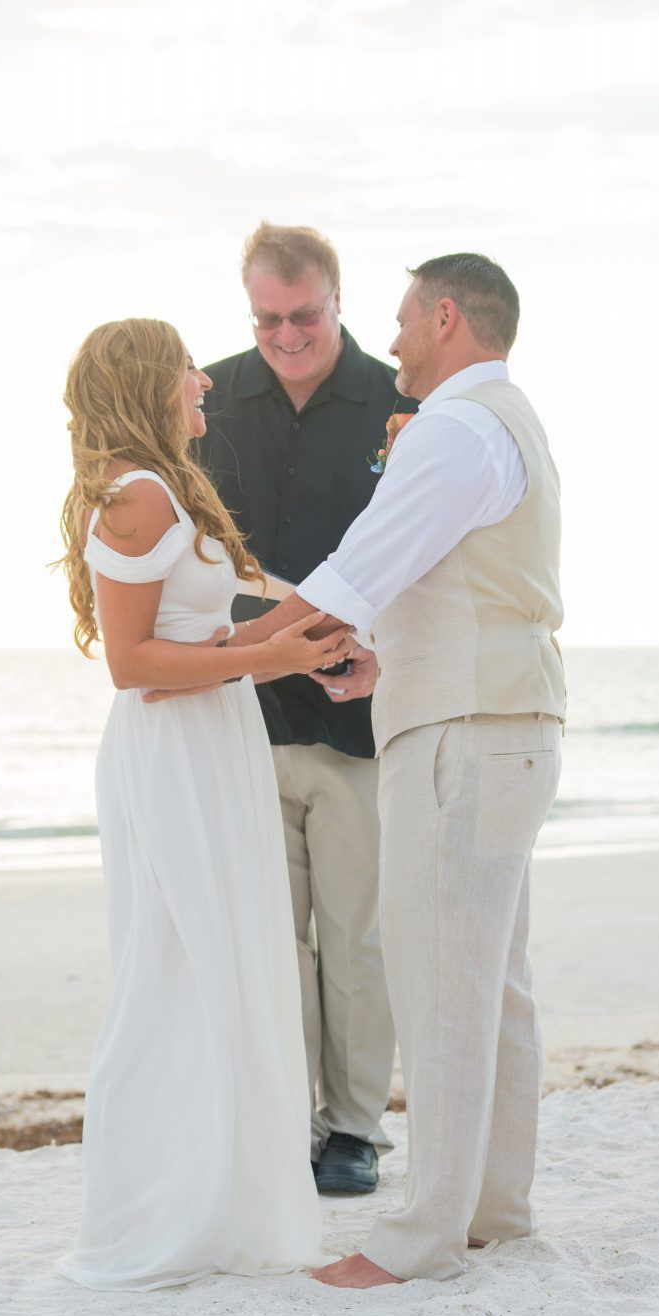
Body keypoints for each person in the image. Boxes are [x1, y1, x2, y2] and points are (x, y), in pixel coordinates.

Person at [228, 254, 566, 1287]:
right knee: (490, 986)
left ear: (446, 317)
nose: (396, 336)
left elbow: (355, 571)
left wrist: (222, 658)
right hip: (499, 719)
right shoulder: (505, 419)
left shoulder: (455, 429)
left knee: (439, 987)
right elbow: (456, 581)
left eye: (404, 316)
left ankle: (420, 1238)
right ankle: (491, 1212)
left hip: (463, 737)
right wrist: (385, 659)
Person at [54, 318, 350, 1291]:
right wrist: (267, 656)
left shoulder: (169, 487)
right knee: (174, 969)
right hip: (171, 752)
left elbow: (229, 622)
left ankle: (220, 1201)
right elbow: (132, 667)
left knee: (225, 962)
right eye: (185, 365)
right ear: (148, 379)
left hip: (213, 739)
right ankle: (153, 1212)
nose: (203, 383)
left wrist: (339, 616)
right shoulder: (133, 497)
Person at [197, 222, 416, 1196]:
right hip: (239, 717)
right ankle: (284, 1118)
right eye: (266, 318)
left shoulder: (395, 403)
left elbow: (424, 552)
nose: (284, 335)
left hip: (355, 720)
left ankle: (354, 1129)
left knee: (356, 934)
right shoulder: (203, 398)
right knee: (270, 935)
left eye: (304, 316)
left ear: (337, 301)